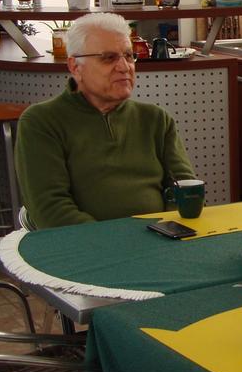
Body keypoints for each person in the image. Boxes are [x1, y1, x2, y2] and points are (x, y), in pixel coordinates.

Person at [15, 12, 195, 229]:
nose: (124, 66)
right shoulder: (41, 122)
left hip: (158, 241)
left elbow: (186, 190)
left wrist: (164, 231)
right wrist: (113, 243)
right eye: (109, 58)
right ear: (75, 67)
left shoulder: (155, 119)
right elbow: (50, 210)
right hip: (84, 251)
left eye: (128, 56)